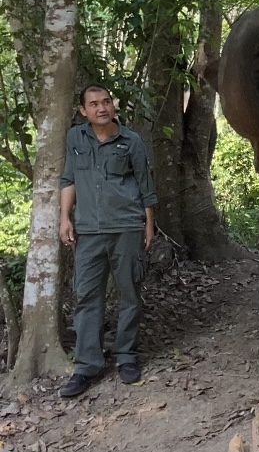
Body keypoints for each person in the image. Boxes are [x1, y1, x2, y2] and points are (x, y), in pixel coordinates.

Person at [59, 85, 157, 397]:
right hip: (88, 232)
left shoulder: (132, 140)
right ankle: (87, 364)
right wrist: (65, 217)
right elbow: (69, 179)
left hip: (127, 227)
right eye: (94, 104)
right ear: (83, 111)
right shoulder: (76, 138)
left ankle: (126, 356)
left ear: (112, 106)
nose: (102, 108)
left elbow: (145, 184)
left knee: (129, 293)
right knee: (88, 297)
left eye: (106, 102)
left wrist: (149, 225)